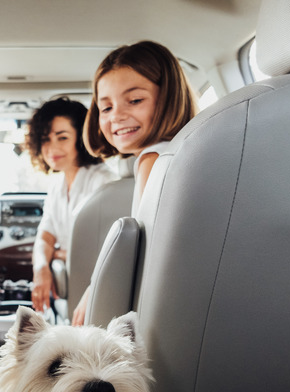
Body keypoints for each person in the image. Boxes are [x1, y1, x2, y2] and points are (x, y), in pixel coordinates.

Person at [73, 40, 198, 325]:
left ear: (168, 97)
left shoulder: (153, 159)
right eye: (105, 107)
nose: (116, 115)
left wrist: (94, 290)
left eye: (135, 100)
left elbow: (142, 258)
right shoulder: (182, 153)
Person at [27, 97, 117, 316]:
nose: (52, 148)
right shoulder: (57, 185)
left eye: (62, 137)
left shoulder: (103, 182)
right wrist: (41, 268)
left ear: (81, 138)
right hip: (67, 288)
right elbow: (45, 238)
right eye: (46, 139)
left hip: (94, 288)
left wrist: (57, 254)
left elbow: (107, 252)